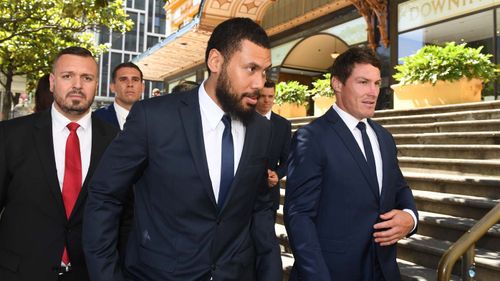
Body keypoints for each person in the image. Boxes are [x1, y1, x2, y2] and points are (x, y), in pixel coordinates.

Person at [83, 17, 282, 281]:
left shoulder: (260, 129)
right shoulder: (153, 117)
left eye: (265, 71)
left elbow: (258, 208)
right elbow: (104, 197)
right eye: (251, 69)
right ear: (215, 62)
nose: (260, 82)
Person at [284, 47, 418, 281]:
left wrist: (410, 217)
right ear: (337, 84)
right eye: (363, 82)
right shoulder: (311, 137)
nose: (373, 92)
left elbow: (399, 188)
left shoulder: (384, 137)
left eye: (377, 83)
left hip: (385, 271)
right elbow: (299, 217)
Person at [0, 47, 119, 281]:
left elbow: (125, 216)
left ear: (98, 84)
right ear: (53, 83)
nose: (77, 85)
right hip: (20, 273)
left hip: (90, 274)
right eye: (67, 76)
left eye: (87, 78)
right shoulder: (10, 135)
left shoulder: (117, 142)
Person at [255, 80, 291, 218]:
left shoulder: (284, 125)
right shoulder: (242, 120)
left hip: (268, 197)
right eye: (262, 96)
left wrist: (278, 174)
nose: (266, 100)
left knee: (266, 239)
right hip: (243, 197)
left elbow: (288, 160)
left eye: (270, 96)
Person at [94, 62, 144, 130]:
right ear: (112, 87)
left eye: (135, 80)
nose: (130, 84)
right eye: (123, 79)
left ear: (142, 87)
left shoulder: (156, 120)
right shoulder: (95, 119)